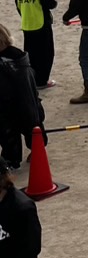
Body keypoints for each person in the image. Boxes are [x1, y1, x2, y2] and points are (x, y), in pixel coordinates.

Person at [0, 26, 43, 172]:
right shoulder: (20, 57)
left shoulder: (4, 63)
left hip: (11, 105)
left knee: (9, 132)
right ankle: (36, 148)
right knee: (33, 126)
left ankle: (12, 160)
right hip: (29, 101)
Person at [12, 0, 56, 90]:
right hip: (42, 24)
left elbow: (18, 6)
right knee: (46, 54)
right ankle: (42, 81)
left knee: (31, 54)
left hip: (27, 24)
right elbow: (51, 4)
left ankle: (32, 79)